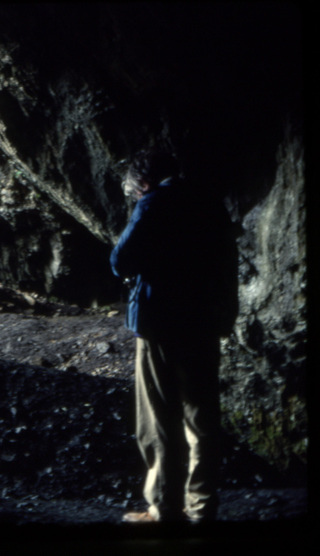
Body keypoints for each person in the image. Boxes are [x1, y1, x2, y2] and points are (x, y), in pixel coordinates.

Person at [110, 149, 239, 523]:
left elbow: (121, 261)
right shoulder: (208, 203)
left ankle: (165, 508)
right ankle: (202, 507)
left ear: (143, 182)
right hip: (202, 321)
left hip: (159, 324)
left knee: (158, 419)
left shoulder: (153, 203)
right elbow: (226, 262)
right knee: (202, 417)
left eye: (135, 192)